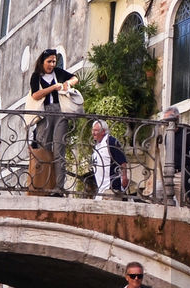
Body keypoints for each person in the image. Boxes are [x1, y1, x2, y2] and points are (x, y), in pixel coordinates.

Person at [29, 49, 78, 194]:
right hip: (44, 115)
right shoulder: (36, 76)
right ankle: (42, 184)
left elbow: (75, 78)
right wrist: (53, 88)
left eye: (54, 61)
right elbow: (36, 95)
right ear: (42, 62)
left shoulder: (58, 72)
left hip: (60, 113)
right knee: (43, 150)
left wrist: (67, 84)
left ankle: (59, 187)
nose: (52, 64)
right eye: (49, 61)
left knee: (59, 150)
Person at [165, 107, 190, 204]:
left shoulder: (187, 132)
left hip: (183, 173)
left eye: (169, 119)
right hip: (170, 173)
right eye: (166, 120)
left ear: (177, 118)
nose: (167, 123)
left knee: (184, 204)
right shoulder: (167, 135)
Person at [90, 121, 128, 197]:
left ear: (103, 131)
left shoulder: (111, 141)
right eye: (93, 130)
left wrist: (124, 177)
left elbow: (122, 161)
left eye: (96, 130)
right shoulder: (97, 145)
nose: (93, 133)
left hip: (111, 186)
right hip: (101, 188)